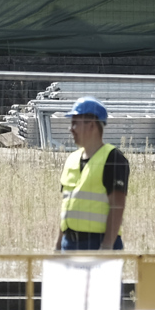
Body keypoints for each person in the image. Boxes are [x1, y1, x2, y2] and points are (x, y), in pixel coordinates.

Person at [54, 97, 128, 251]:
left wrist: (106, 247)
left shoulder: (113, 158)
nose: (71, 128)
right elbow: (66, 207)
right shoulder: (72, 159)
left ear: (92, 125)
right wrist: (58, 246)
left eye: (75, 123)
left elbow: (117, 206)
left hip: (98, 244)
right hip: (69, 244)